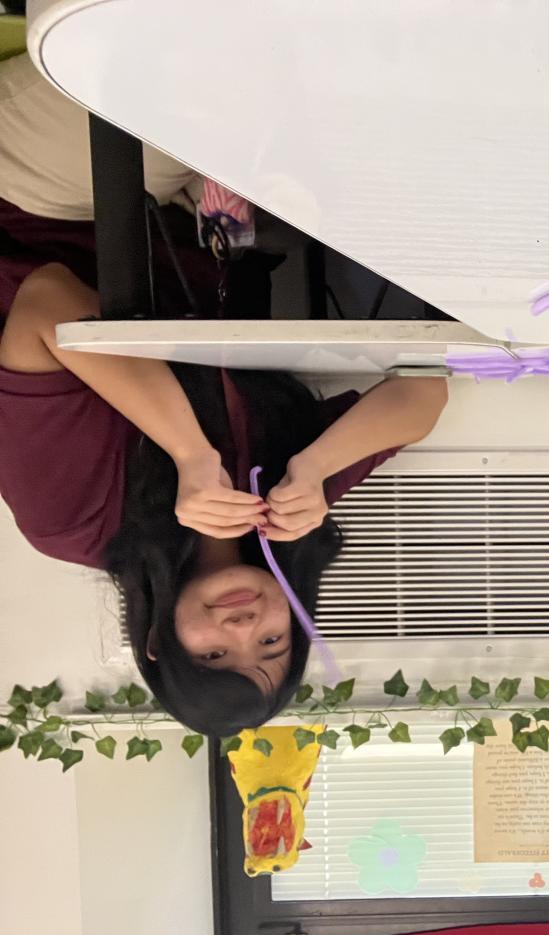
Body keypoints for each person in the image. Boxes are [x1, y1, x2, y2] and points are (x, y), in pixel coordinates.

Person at [0, 54, 449, 737]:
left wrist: (190, 453)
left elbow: (45, 303)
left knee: (210, 83)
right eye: (271, 642)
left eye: (215, 653)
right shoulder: (283, 514)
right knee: (364, 120)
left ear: (160, 642)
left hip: (45, 208)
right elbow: (425, 394)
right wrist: (316, 468)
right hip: (205, 232)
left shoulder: (74, 524)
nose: (243, 626)